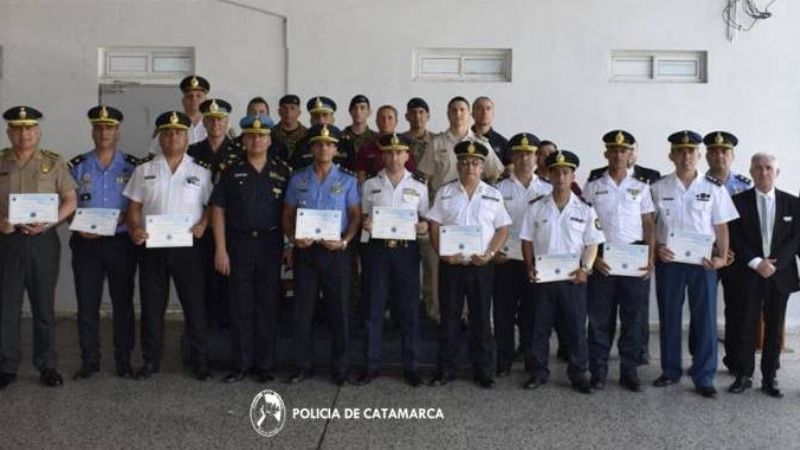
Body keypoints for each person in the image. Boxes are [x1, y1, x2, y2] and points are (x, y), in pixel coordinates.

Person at [123, 111, 213, 381]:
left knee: (195, 306)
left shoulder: (201, 171)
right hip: (153, 247)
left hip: (189, 248)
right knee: (151, 307)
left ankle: (200, 361)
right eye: (168, 132)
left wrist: (204, 224)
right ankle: (151, 361)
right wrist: (135, 228)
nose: (173, 137)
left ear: (188, 137)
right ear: (159, 138)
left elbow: (211, 207)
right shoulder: (144, 170)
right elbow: (134, 207)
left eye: (179, 132)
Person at [650, 130, 739, 398]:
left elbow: (721, 227)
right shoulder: (658, 187)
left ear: (699, 155)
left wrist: (722, 257)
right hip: (670, 262)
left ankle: (704, 375)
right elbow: (649, 226)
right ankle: (670, 370)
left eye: (691, 151)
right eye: (680, 151)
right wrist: (656, 250)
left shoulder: (713, 188)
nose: (686, 156)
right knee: (670, 317)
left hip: (703, 264)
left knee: (706, 320)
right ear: (671, 156)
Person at [0, 106, 78, 390]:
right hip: (7, 242)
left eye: (29, 128)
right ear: (9, 132)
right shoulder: (1, 162)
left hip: (43, 242)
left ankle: (47, 365)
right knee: (6, 307)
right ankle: (6, 366)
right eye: (18, 129)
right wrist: (1, 222)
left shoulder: (53, 163)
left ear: (38, 131)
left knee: (43, 306)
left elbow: (70, 200)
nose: (24, 134)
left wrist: (50, 222)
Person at [210, 114, 291, 383]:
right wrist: (220, 249)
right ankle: (241, 365)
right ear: (243, 140)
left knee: (267, 306)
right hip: (238, 244)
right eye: (251, 136)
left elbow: (290, 214)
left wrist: (290, 246)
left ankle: (265, 366)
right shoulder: (231, 171)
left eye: (262, 136)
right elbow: (218, 210)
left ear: (269, 140)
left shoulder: (282, 171)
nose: (256, 140)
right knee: (240, 307)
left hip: (270, 244)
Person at [426, 140, 511, 389]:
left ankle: (483, 370)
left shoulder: (493, 195)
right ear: (458, 166)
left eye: (475, 163)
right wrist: (442, 253)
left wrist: (491, 253)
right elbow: (433, 224)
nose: (469, 167)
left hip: (481, 265)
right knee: (449, 317)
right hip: (451, 265)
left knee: (481, 319)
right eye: (464, 162)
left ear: (482, 167)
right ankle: (446, 369)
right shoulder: (445, 192)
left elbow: (503, 228)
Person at [282, 124, 361, 386]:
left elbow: (355, 217)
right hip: (306, 253)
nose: (324, 148)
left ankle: (340, 368)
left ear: (336, 149)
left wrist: (345, 241)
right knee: (303, 311)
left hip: (335, 253)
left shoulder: (347, 180)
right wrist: (294, 239)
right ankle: (302, 366)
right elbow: (287, 215)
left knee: (339, 311)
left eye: (329, 144)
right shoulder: (298, 178)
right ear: (312, 148)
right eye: (319, 144)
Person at [520, 150, 604, 394]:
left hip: (573, 279)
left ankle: (578, 374)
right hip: (543, 279)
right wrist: (529, 266)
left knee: (576, 329)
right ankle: (538, 372)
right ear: (549, 174)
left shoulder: (585, 209)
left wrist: (586, 269)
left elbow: (592, 243)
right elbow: (526, 240)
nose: (560, 177)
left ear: (572, 176)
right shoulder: (536, 207)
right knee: (539, 328)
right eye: (555, 172)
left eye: (565, 172)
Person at [417, 96, 504, 324]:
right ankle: (439, 318)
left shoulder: (481, 143)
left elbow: (495, 174)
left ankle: (468, 319)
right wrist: (425, 216)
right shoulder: (437, 143)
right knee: (438, 271)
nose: (458, 114)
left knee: (472, 269)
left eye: (462, 110)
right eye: (454, 110)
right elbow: (423, 182)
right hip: (444, 214)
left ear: (469, 114)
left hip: (474, 218)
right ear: (448, 114)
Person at [68, 105, 140, 380]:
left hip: (121, 244)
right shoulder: (77, 166)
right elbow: (68, 204)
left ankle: (123, 360)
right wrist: (76, 223)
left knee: (122, 303)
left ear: (118, 131)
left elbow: (139, 205)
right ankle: (90, 360)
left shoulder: (133, 166)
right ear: (92, 131)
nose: (103, 132)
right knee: (87, 303)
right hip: (86, 245)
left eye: (109, 127)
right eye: (98, 127)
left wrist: (128, 220)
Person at [582, 130, 656, 392]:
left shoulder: (642, 186)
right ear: (606, 154)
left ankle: (630, 372)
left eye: (623, 151)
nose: (618, 155)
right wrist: (595, 258)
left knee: (633, 319)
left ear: (630, 154)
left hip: (634, 257)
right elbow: (586, 226)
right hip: (603, 258)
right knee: (600, 319)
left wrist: (650, 256)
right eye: (613, 150)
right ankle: (598, 372)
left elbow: (648, 223)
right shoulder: (593, 186)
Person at [355, 133, 429, 387]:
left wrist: (423, 227)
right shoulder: (370, 185)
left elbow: (426, 220)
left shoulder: (419, 186)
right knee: (373, 310)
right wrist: (367, 224)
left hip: (406, 252)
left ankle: (411, 367)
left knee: (409, 311)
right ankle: (371, 365)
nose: (394, 157)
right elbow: (364, 219)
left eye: (399, 152)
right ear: (382, 156)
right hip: (377, 251)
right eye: (389, 152)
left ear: (407, 156)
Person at [728, 153, 800, 397]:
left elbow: (795, 240)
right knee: (745, 325)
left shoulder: (793, 203)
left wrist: (774, 265)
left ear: (777, 172)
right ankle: (744, 374)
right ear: (751, 172)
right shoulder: (738, 202)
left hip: (780, 275)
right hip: (748, 273)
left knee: (774, 328)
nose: (763, 172)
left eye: (769, 168)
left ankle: (770, 377)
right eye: (758, 168)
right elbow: (735, 238)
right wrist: (757, 262)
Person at [492, 133, 552, 376]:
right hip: (505, 261)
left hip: (535, 262)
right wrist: (492, 252)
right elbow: (490, 226)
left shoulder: (548, 189)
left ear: (537, 157)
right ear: (512, 157)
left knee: (533, 316)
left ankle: (531, 360)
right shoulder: (497, 189)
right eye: (520, 153)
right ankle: (503, 361)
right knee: (504, 314)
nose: (525, 158)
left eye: (530, 153)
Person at [187, 98, 242, 331]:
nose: (215, 123)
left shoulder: (240, 151)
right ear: (204, 122)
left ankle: (227, 335)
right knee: (202, 282)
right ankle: (203, 334)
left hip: (232, 227)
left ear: (227, 120)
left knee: (231, 284)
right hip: (198, 228)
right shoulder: (192, 151)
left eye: (220, 119)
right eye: (210, 119)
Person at [703, 131, 752, 374]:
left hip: (738, 258)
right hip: (707, 255)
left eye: (724, 151)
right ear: (706, 156)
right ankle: (701, 360)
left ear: (732, 156)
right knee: (703, 310)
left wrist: (732, 250)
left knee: (737, 310)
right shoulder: (697, 184)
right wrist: (716, 249)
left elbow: (750, 225)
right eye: (713, 151)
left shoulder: (744, 186)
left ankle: (735, 360)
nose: (719, 155)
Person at [400, 97, 437, 320]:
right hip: (403, 216)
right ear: (407, 116)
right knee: (406, 272)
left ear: (428, 115)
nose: (417, 116)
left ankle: (433, 315)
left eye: (422, 112)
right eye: (413, 113)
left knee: (432, 271)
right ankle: (405, 316)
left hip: (432, 214)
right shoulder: (400, 142)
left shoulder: (438, 141)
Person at [148, 75, 210, 154]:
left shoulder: (215, 125)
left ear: (206, 100)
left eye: (198, 96)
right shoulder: (169, 124)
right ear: (183, 101)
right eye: (189, 96)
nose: (194, 99)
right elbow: (153, 153)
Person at [354, 105, 417, 183]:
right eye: (382, 118)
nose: (386, 121)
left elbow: (411, 175)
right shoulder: (367, 147)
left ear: (396, 121)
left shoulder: (404, 147)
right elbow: (360, 175)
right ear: (376, 121)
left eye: (390, 118)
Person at [289, 97, 355, 170]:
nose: (321, 120)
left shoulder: (345, 144)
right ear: (311, 120)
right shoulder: (302, 144)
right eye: (316, 116)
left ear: (333, 119)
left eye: (325, 115)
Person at [471, 96, 508, 164]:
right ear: (472, 114)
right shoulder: (463, 138)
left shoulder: (503, 143)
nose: (484, 112)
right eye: (479, 108)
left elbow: (510, 168)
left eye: (488, 108)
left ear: (493, 114)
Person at [271, 94, 307, 162]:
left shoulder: (307, 134)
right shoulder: (270, 134)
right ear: (279, 112)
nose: (288, 112)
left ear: (299, 112)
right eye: (285, 108)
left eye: (292, 108)